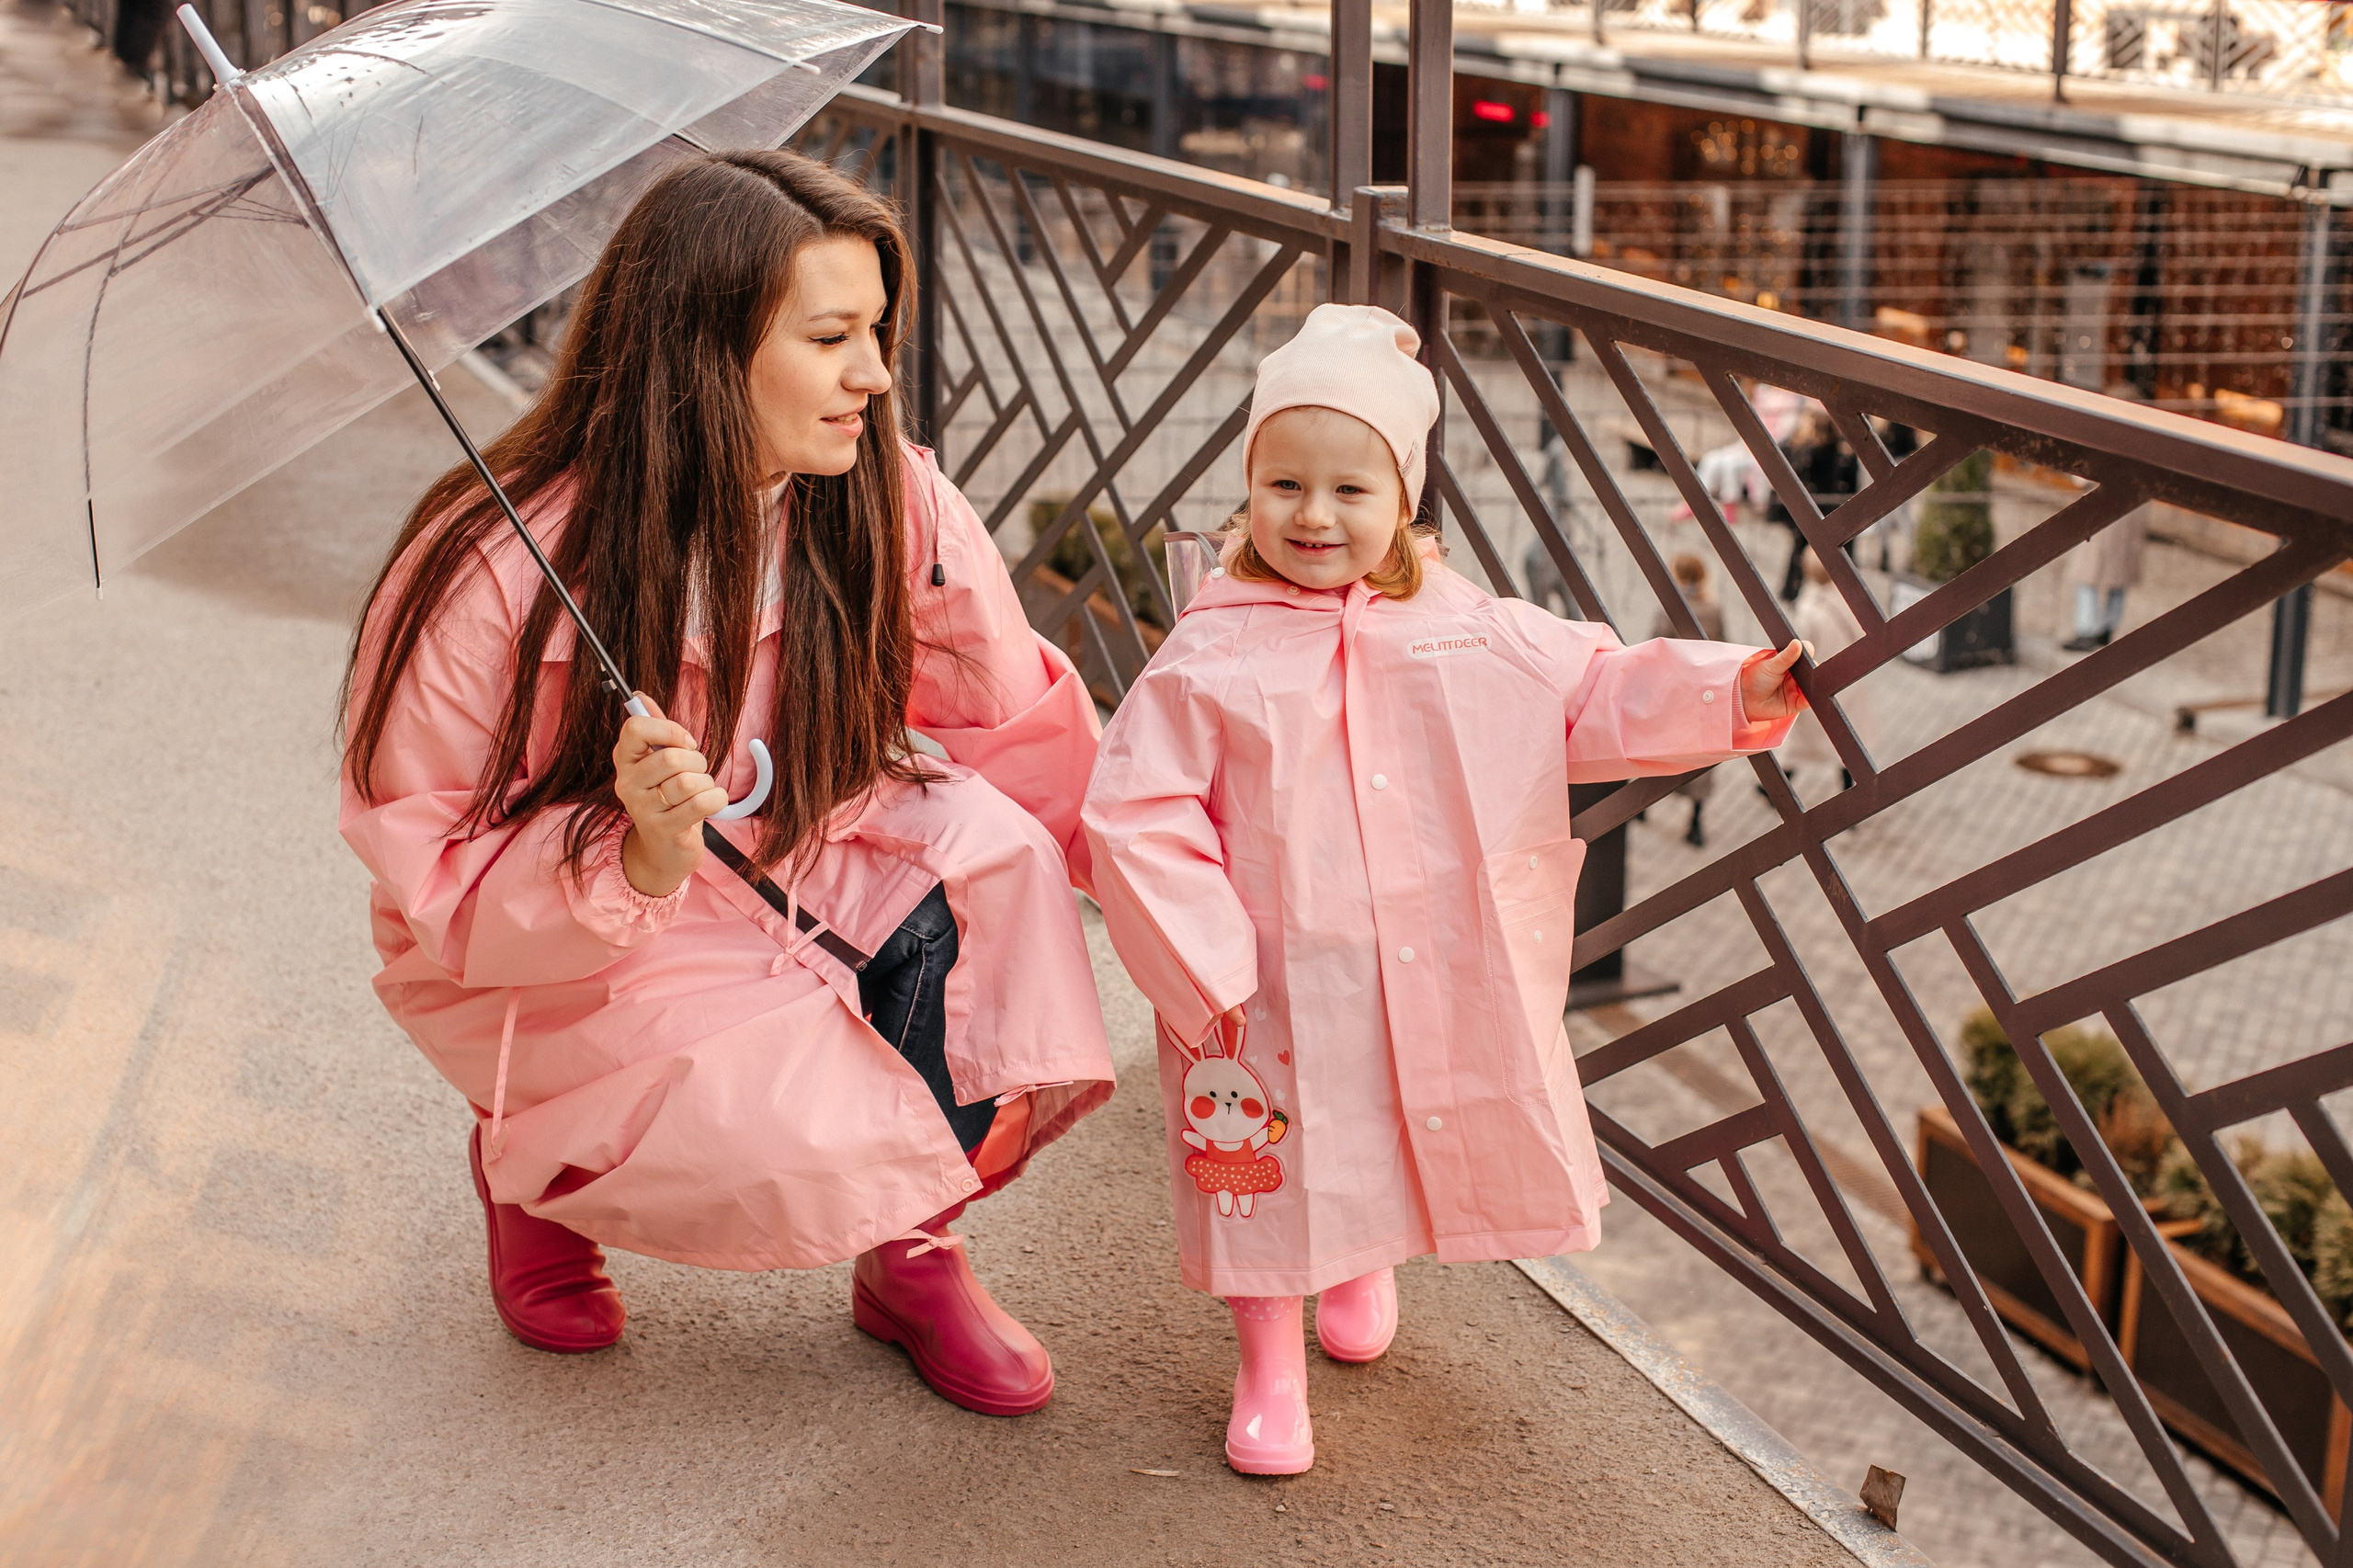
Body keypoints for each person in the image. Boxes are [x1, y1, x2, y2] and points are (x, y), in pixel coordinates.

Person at [338, 151, 1113, 1416]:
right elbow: (434, 856)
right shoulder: (499, 559)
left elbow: (1009, 721)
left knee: (1001, 879)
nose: (873, 374)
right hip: (581, 925)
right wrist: (633, 849)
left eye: (876, 331)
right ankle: (534, 1166)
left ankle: (909, 1241)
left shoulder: (894, 499)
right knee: (753, 1129)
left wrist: (1177, 912)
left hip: (811, 843)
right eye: (831, 337)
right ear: (701, 347)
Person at [1080, 305, 1807, 1476]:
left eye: (1349, 489)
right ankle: (1268, 1361)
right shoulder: (1208, 655)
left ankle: (1364, 1259)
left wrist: (1729, 689)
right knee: (1262, 1165)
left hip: (1406, 962)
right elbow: (1135, 810)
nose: (1314, 516)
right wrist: (1204, 956)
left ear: (1403, 496)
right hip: (1261, 982)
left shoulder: (1466, 629)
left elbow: (1590, 692)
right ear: (1248, 490)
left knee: (1377, 1117)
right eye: (1284, 484)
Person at [1649, 553, 1727, 846]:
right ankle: (1695, 822)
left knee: (1658, 750)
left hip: (1672, 695)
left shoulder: (1668, 611)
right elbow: (1723, 646)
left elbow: (1653, 648)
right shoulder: (1713, 609)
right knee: (1699, 757)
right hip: (1702, 696)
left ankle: (1641, 807)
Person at [1785, 551, 1871, 800]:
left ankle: (1775, 785)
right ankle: (1849, 794)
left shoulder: (1807, 611)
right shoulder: (1848, 601)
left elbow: (1799, 652)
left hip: (1820, 683)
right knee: (1845, 740)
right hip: (1848, 683)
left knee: (1802, 740)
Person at [2063, 505, 2148, 652]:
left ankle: (2087, 631)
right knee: (2118, 578)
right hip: (2132, 514)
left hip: (2104, 514)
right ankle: (2108, 628)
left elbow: (2082, 481)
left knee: (2086, 577)